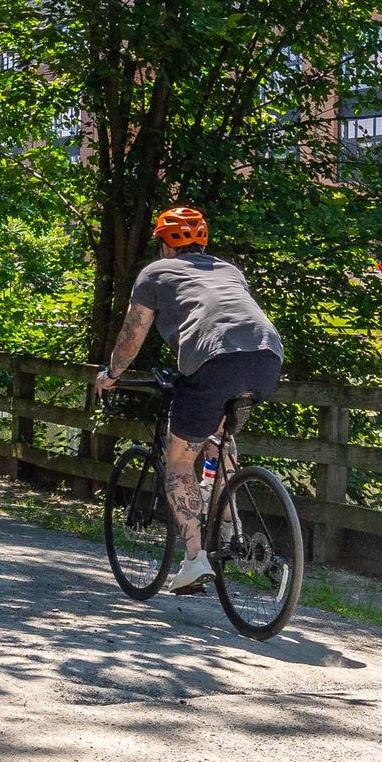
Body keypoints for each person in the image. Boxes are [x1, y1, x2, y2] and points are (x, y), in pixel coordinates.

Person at [92, 206, 284, 594]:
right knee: (218, 433)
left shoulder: (155, 273)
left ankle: (195, 558)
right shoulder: (229, 270)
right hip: (267, 357)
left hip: (213, 361)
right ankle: (229, 512)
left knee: (179, 461)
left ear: (164, 243)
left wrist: (112, 375)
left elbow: (132, 336)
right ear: (203, 241)